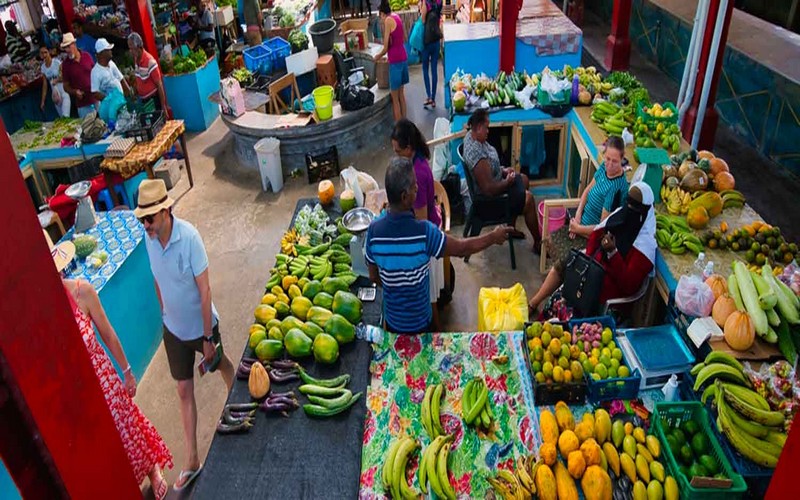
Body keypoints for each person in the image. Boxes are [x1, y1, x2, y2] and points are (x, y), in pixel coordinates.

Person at [46, 233, 173, 500]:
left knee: (127, 429)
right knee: (103, 449)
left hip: (104, 382)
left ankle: (152, 469)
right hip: (77, 395)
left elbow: (108, 334)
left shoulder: (82, 292)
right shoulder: (44, 316)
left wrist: (127, 372)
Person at [135, 179, 235, 491]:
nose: (146, 225)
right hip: (173, 329)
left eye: (149, 218)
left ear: (166, 211)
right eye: (142, 219)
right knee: (183, 389)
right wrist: (164, 311)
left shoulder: (189, 237)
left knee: (223, 366)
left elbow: (205, 291)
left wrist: (207, 337)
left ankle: (241, 402)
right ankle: (192, 459)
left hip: (201, 328)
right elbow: (156, 278)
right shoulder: (150, 240)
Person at [366, 157, 514, 334]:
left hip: (393, 324)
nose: (418, 188)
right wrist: (493, 237)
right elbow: (462, 249)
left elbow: (374, 277)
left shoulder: (373, 231)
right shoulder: (424, 233)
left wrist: (396, 288)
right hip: (421, 323)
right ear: (405, 197)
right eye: (414, 185)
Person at [528, 182, 657, 313]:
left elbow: (629, 285)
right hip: (591, 272)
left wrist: (613, 253)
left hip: (606, 296)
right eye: (628, 204)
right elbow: (596, 234)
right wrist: (591, 257)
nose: (629, 209)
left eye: (634, 207)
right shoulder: (620, 216)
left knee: (568, 318)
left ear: (645, 211)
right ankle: (534, 304)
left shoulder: (645, 247)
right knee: (558, 296)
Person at [462, 108, 542, 251]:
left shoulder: (471, 135)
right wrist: (507, 182)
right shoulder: (476, 155)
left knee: (523, 180)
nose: (488, 131)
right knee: (528, 200)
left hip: (495, 183)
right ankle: (538, 243)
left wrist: (503, 170)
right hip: (489, 203)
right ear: (479, 127)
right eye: (486, 128)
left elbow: (490, 171)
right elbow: (489, 189)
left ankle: (510, 228)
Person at [546, 135, 629, 261]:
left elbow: (601, 229)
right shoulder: (603, 168)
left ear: (622, 159)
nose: (610, 165)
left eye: (615, 161)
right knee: (548, 240)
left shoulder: (616, 188)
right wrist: (578, 217)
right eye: (607, 159)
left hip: (592, 237)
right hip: (581, 223)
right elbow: (586, 191)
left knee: (560, 265)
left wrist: (578, 229)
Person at [374, 0, 408, 121]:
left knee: (395, 99)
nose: (381, 20)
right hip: (403, 58)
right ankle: (405, 123)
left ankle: (399, 128)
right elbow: (404, 38)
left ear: (383, 13)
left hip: (395, 61)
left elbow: (385, 46)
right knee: (401, 96)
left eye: (380, 16)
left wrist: (377, 57)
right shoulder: (396, 16)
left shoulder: (388, 20)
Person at [128, 32, 169, 115]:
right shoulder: (136, 59)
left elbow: (159, 84)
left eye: (132, 48)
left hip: (154, 100)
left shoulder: (150, 61)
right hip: (143, 101)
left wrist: (163, 107)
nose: (130, 51)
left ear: (139, 47)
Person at [61, 32, 97, 118]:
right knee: (89, 129)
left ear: (74, 44)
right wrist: (74, 92)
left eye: (68, 47)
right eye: (65, 48)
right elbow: (65, 86)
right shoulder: (65, 65)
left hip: (96, 98)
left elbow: (96, 73)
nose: (67, 50)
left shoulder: (86, 56)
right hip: (83, 104)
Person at [420, 0, 442, 109]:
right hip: (436, 40)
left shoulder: (426, 3)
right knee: (434, 69)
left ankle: (428, 96)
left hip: (427, 42)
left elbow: (423, 21)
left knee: (425, 69)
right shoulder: (439, 2)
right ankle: (433, 98)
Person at [39, 46, 70, 117]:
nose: (44, 55)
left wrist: (57, 80)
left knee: (66, 117)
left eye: (45, 52)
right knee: (62, 120)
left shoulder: (57, 63)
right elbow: (45, 85)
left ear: (49, 52)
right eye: (42, 53)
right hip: (55, 97)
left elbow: (65, 77)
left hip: (63, 93)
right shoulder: (43, 67)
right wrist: (42, 101)